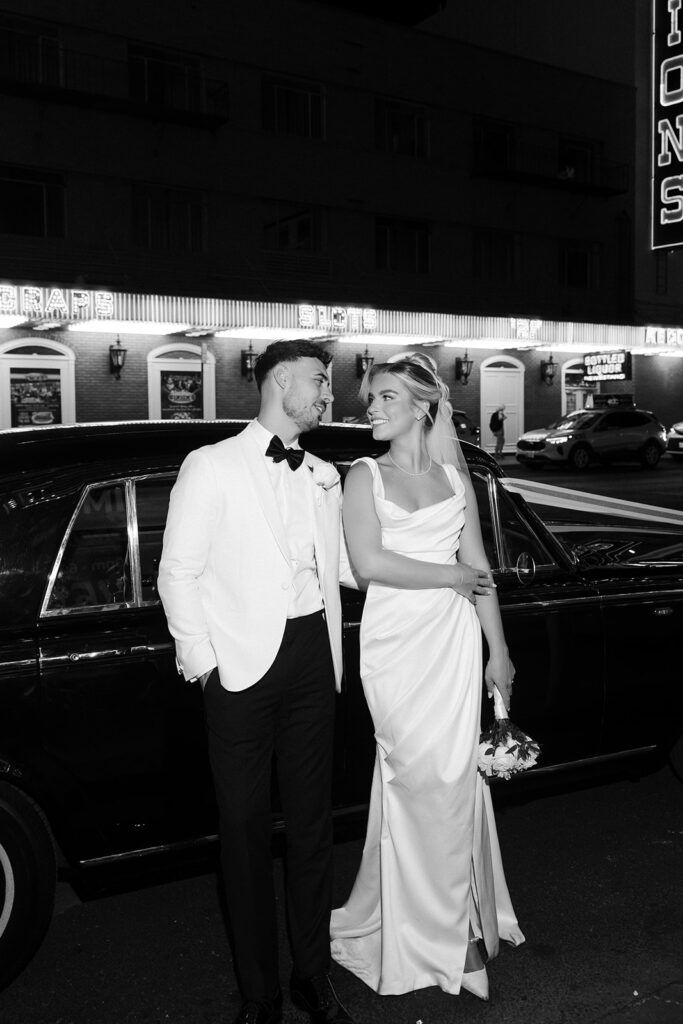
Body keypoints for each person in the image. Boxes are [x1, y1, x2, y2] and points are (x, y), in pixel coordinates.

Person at [158, 340, 356, 1024]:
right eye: (318, 381)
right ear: (279, 381)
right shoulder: (211, 465)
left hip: (310, 656)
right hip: (239, 666)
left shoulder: (325, 474)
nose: (328, 393)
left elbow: (344, 570)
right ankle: (258, 993)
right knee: (242, 832)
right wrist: (205, 666)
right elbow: (176, 573)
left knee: (311, 828)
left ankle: (311, 974)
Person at [330, 353, 524, 1001]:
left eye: (386, 396)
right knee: (420, 781)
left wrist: (497, 650)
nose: (372, 408)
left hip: (453, 645)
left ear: (422, 406)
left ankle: (455, 926)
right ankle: (445, 938)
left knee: (451, 784)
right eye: (371, 398)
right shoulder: (363, 476)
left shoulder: (450, 477)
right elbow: (368, 561)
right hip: (395, 649)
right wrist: (449, 577)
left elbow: (480, 568)